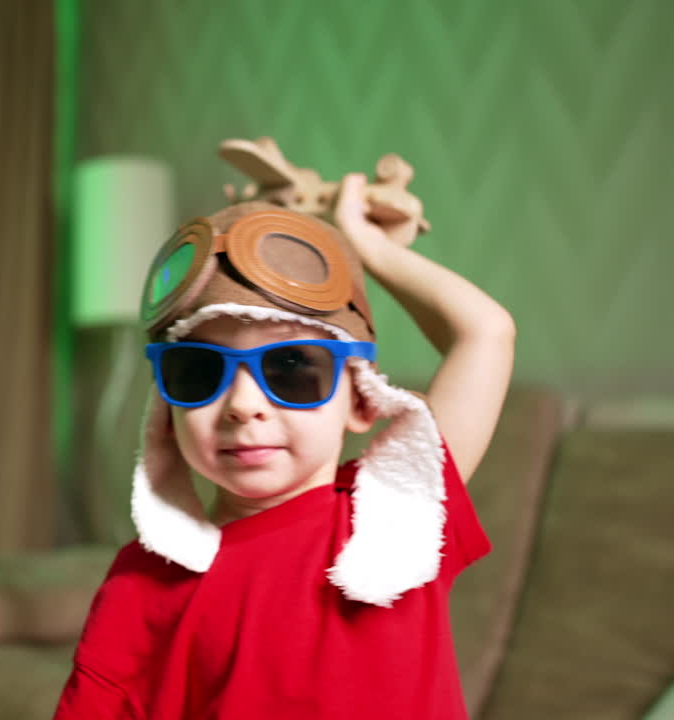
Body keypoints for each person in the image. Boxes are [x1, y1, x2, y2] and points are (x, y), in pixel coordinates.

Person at [52, 170, 516, 719]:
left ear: (363, 399)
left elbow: (485, 332)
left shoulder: (396, 511)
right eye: (201, 371)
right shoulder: (144, 579)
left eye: (291, 367)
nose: (243, 404)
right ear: (167, 413)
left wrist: (364, 246)